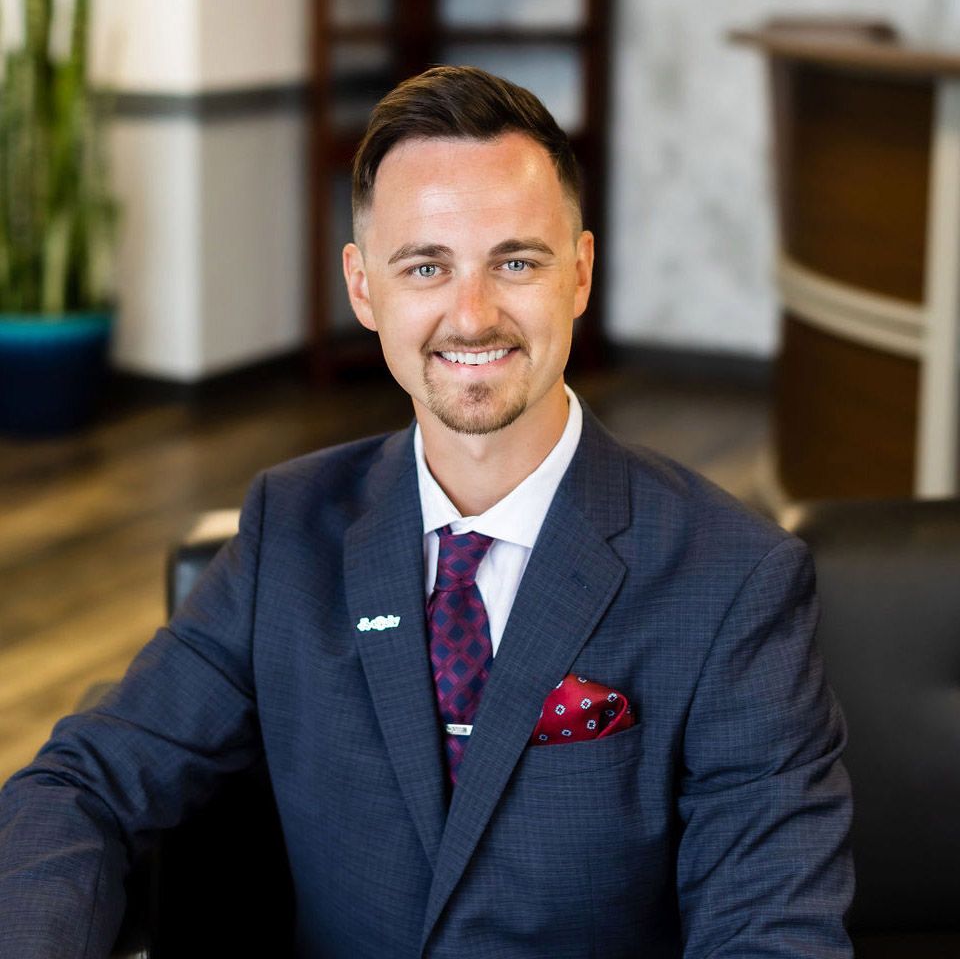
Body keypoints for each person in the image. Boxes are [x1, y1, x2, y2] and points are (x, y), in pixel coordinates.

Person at [0, 66, 853, 957]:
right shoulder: (287, 530)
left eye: (515, 262)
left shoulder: (735, 578)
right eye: (426, 266)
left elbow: (770, 934)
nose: (472, 315)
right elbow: (80, 786)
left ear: (581, 275)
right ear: (365, 288)